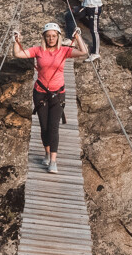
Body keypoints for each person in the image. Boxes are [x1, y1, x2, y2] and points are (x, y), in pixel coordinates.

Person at [13, 21, 88, 173]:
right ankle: (47, 153)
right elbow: (18, 54)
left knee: (53, 128)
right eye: (48, 36)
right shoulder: (38, 50)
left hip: (58, 94)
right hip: (40, 92)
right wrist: (16, 41)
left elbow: (83, 52)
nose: (51, 39)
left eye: (54, 36)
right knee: (44, 127)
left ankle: (53, 161)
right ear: (44, 37)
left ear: (58, 37)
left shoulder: (64, 51)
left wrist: (78, 36)